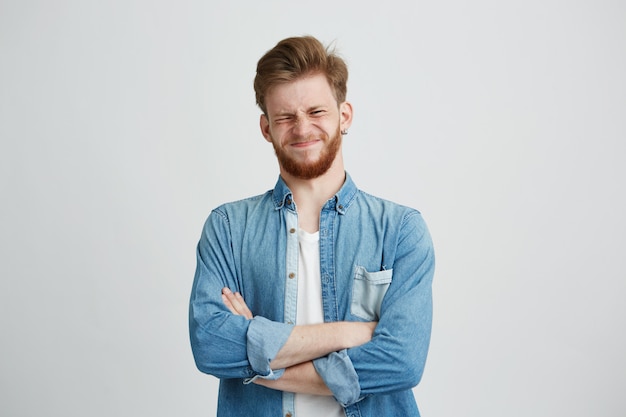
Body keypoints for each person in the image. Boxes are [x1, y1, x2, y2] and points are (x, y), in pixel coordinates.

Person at [189, 35, 435, 417]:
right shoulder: (228, 229)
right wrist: (349, 334)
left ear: (345, 115)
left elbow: (401, 361)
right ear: (266, 128)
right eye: (285, 117)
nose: (302, 129)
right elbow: (210, 345)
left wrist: (259, 361)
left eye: (316, 112)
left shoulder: (400, 230)